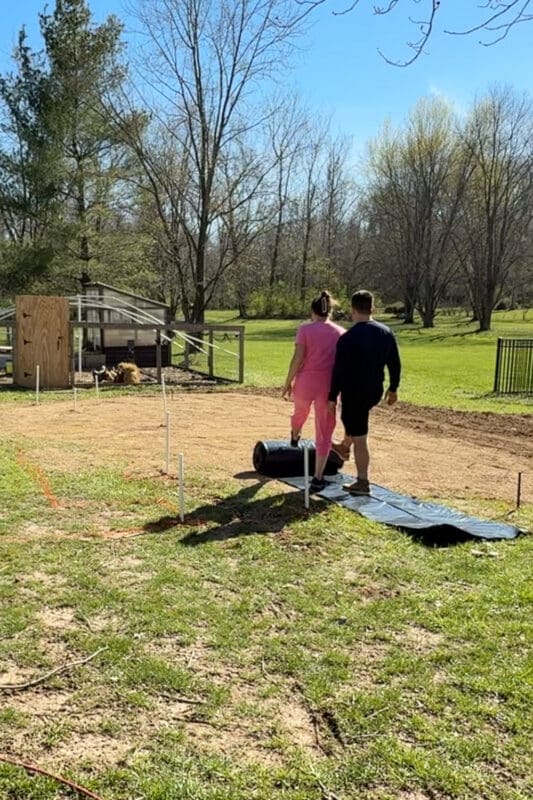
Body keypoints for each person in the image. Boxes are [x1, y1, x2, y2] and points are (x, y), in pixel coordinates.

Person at [328, 289, 401, 495]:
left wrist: (332, 396)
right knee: (353, 422)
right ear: (372, 308)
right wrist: (393, 388)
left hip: (353, 391)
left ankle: (362, 481)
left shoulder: (348, 338)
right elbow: (394, 363)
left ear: (352, 310)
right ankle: (343, 445)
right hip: (374, 390)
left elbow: (339, 371)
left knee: (360, 436)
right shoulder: (385, 332)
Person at [282, 291, 345, 493]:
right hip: (328, 385)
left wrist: (287, 381)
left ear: (312, 311)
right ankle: (317, 477)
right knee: (324, 429)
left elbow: (297, 358)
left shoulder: (305, 329)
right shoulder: (340, 332)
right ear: (331, 311)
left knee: (300, 413)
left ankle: (295, 431)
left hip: (305, 382)